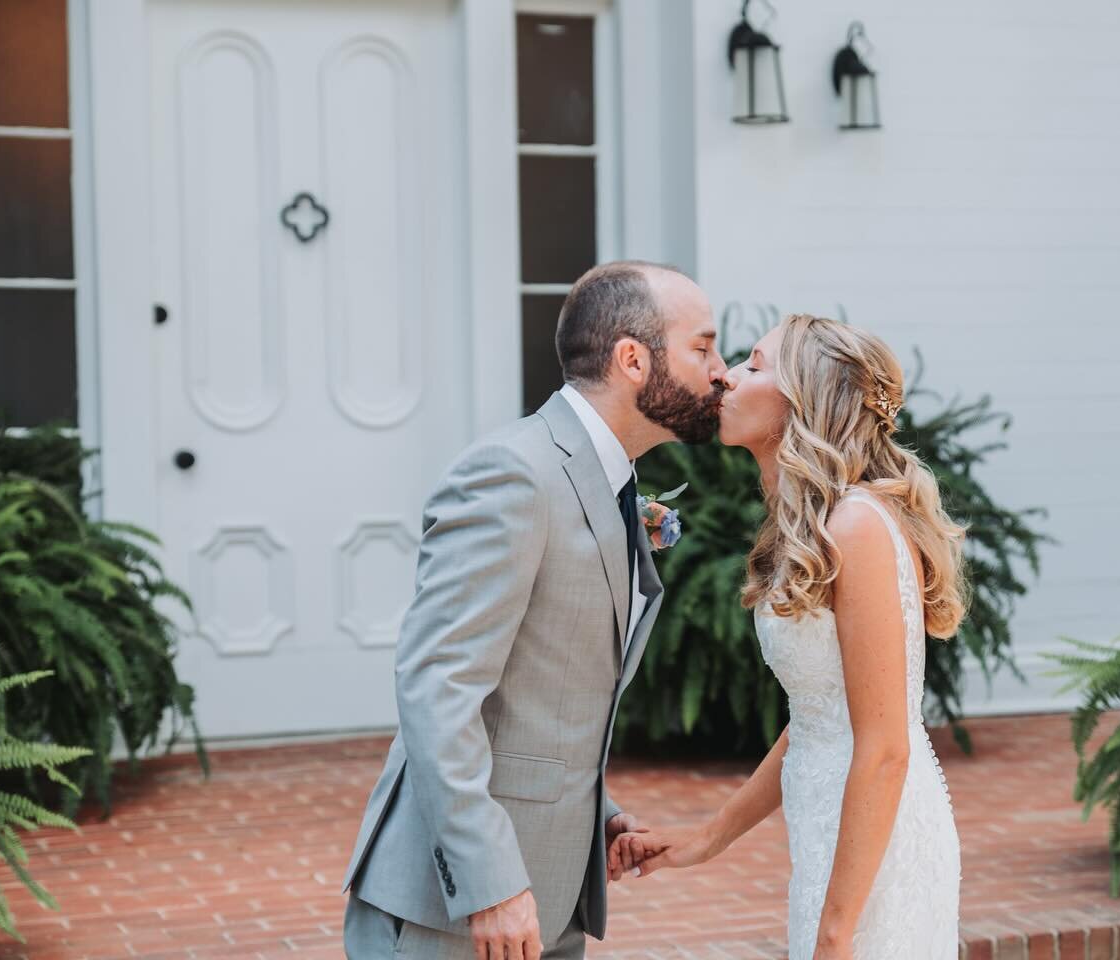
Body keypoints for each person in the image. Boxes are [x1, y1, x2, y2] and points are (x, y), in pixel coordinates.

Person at [340, 261, 727, 959]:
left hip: (550, 891)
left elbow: (541, 691)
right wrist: (488, 882)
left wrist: (592, 814)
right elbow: (439, 688)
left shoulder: (608, 478)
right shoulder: (514, 473)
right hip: (455, 908)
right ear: (633, 360)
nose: (720, 372)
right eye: (703, 348)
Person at [615, 313, 967, 959]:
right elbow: (819, 718)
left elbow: (885, 747)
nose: (725, 377)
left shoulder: (857, 526)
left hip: (875, 858)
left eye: (752, 364)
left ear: (802, 399)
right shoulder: (814, 526)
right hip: (831, 839)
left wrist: (836, 933)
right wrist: (706, 838)